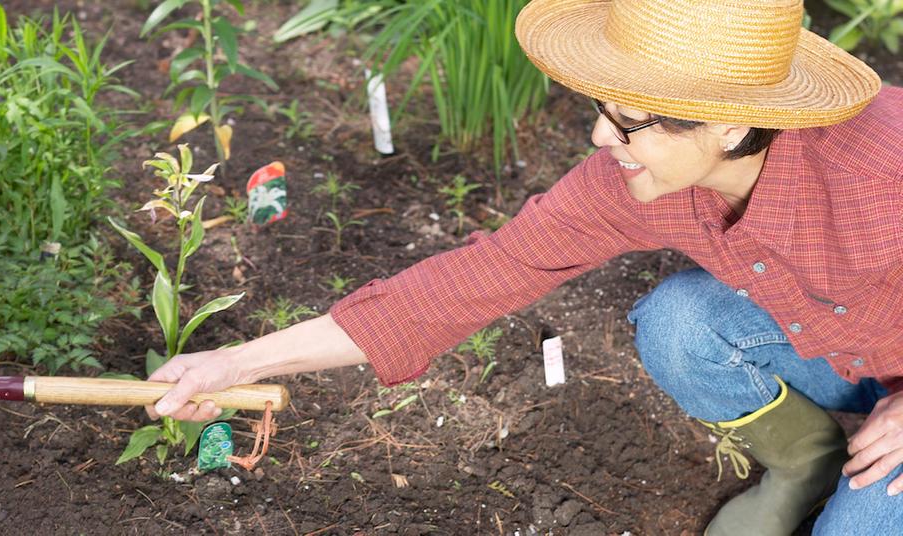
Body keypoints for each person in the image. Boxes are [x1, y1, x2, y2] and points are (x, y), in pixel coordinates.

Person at [146, 0, 903, 533]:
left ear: (731, 123)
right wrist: (231, 363)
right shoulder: (637, 183)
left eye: (628, 119)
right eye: (603, 107)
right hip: (850, 350)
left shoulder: (882, 166)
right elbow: (463, 285)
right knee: (679, 324)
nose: (602, 137)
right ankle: (805, 469)